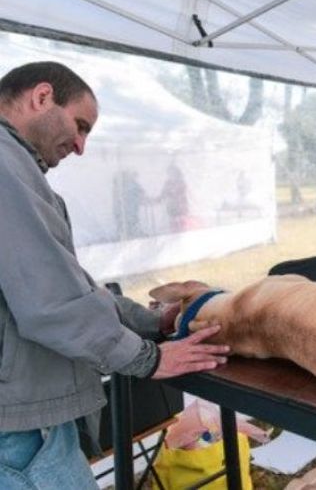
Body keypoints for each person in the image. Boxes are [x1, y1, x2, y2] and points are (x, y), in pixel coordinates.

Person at [0, 62, 229, 489]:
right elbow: (52, 303)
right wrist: (150, 357)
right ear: (42, 96)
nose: (81, 146)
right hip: (17, 431)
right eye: (81, 126)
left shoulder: (16, 169)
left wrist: (150, 321)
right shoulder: (5, 166)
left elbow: (68, 279)